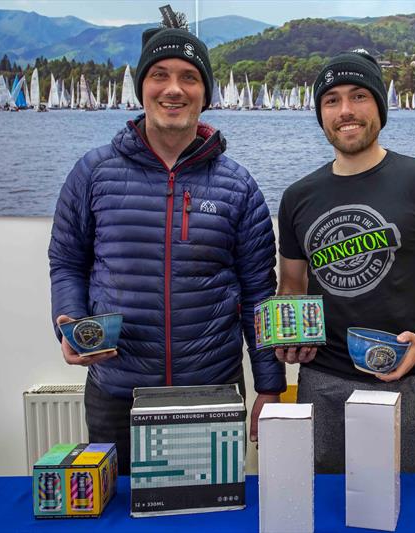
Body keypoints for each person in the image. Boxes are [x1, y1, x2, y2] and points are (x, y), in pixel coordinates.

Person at [48, 24, 284, 474]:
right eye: (159, 74)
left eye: (189, 77)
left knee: (213, 515)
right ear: (142, 87)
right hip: (118, 393)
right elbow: (66, 261)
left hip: (213, 392)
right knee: (119, 515)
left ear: (205, 93)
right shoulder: (93, 172)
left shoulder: (238, 185)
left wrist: (269, 388)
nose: (173, 89)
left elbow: (259, 294)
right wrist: (67, 323)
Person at [276, 50, 415, 473]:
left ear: (380, 105)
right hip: (320, 382)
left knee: (399, 509)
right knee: (322, 506)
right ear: (321, 114)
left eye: (359, 96)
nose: (345, 111)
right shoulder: (298, 197)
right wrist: (287, 332)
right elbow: (291, 284)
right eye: (332, 100)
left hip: (400, 378)